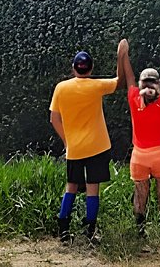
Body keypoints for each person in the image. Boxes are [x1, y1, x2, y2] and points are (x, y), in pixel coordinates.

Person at [50, 40, 127, 244]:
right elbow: (121, 82)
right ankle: (90, 231)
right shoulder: (96, 86)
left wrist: (67, 141)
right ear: (91, 69)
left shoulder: (61, 88)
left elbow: (54, 118)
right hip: (97, 145)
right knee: (93, 188)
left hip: (74, 147)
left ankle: (64, 229)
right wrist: (120, 56)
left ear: (73, 68)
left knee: (71, 186)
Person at [120, 41, 160, 237]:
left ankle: (140, 231)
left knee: (140, 193)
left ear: (141, 84)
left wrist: (125, 55)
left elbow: (129, 76)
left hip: (139, 155)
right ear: (157, 84)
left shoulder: (133, 98)